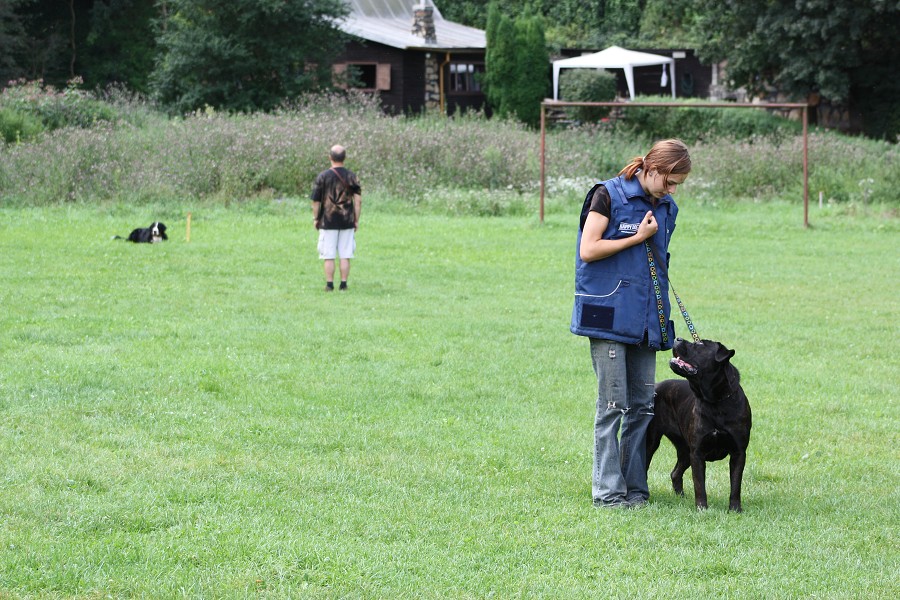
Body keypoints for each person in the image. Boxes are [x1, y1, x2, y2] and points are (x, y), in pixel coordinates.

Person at [571, 139, 692, 508]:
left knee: (643, 406)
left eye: (678, 185)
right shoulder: (607, 195)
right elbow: (588, 249)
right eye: (669, 181)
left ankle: (635, 489)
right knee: (613, 405)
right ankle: (608, 494)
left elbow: (656, 262)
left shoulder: (667, 207)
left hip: (646, 319)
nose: (672, 191)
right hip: (606, 313)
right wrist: (636, 237)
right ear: (651, 168)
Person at [310, 144, 362, 291]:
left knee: (328, 255)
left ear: (330, 158)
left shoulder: (323, 176)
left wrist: (316, 218)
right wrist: (356, 220)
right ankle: (343, 284)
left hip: (328, 220)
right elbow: (358, 201)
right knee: (345, 254)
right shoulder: (352, 176)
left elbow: (315, 201)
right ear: (344, 158)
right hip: (347, 220)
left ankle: (329, 284)